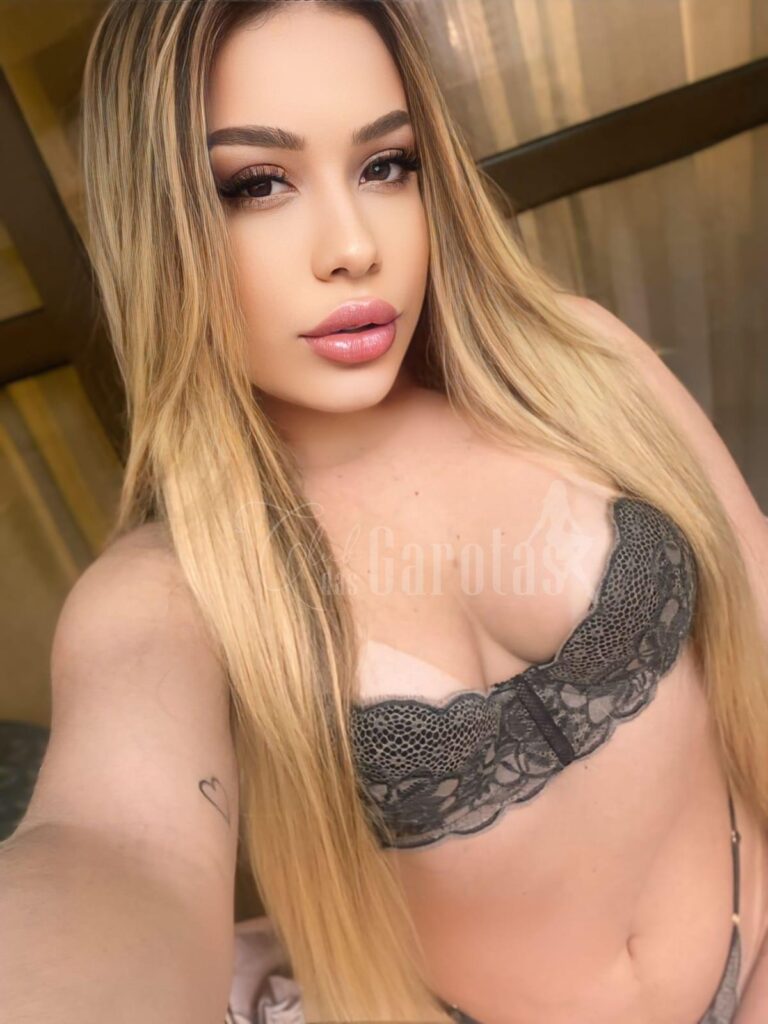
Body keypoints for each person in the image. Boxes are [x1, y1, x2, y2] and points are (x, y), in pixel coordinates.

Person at [1, 2, 767, 1022]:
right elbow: (111, 845)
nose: (354, 246)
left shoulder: (582, 369)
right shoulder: (171, 591)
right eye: (257, 183)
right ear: (161, 228)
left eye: (385, 165)